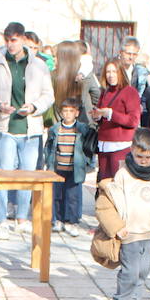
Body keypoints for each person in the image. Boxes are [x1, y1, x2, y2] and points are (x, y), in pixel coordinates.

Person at [0, 21, 53, 238]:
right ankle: (1, 219)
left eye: (14, 40)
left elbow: (48, 95)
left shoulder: (38, 64)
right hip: (4, 126)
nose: (10, 45)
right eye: (7, 40)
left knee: (27, 175)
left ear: (22, 39)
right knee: (3, 175)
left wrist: (34, 107)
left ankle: (22, 218)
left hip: (30, 127)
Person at [94, 127, 150, 300]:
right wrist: (117, 226)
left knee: (143, 270)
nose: (143, 161)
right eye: (139, 156)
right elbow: (108, 202)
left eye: (147, 157)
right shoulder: (123, 174)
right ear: (132, 149)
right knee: (130, 270)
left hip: (149, 232)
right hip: (130, 232)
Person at [43, 96, 93, 235]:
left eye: (71, 111)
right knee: (57, 195)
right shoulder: (55, 129)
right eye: (65, 111)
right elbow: (48, 146)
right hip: (59, 167)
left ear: (76, 113)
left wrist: (87, 162)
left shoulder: (81, 129)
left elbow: (88, 147)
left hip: (74, 169)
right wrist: (48, 161)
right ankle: (58, 220)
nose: (68, 114)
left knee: (73, 196)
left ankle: (72, 221)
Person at [93, 57, 142, 181]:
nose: (111, 75)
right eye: (108, 72)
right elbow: (102, 115)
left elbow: (133, 120)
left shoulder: (130, 92)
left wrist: (110, 114)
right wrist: (98, 116)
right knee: (103, 183)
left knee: (118, 183)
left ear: (121, 72)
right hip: (104, 145)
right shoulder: (105, 92)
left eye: (114, 72)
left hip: (121, 146)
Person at [119, 36, 150, 100]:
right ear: (121, 52)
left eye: (134, 54)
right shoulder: (112, 69)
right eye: (128, 53)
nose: (131, 57)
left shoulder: (139, 72)